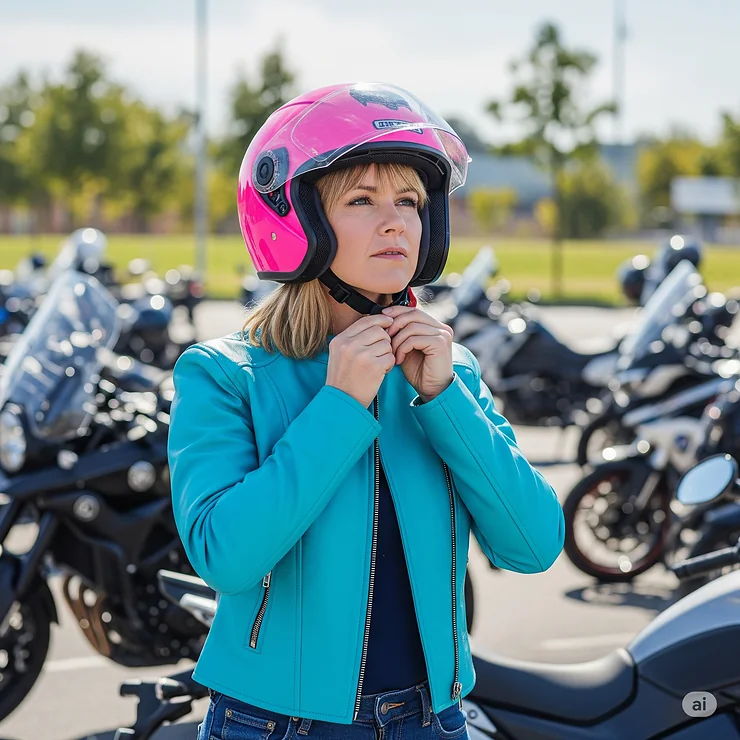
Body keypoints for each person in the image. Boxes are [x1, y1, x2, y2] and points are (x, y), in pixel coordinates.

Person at [168, 82, 565, 740]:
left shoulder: (450, 372)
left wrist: (446, 401)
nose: (396, 222)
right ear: (298, 220)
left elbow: (533, 546)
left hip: (433, 721)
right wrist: (339, 404)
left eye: (409, 201)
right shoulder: (224, 375)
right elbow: (227, 558)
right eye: (361, 199)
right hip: (275, 724)